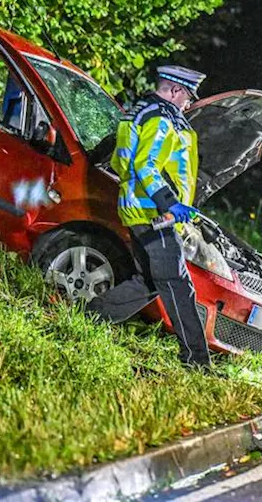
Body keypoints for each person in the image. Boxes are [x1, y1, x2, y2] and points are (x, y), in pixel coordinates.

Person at [88, 65, 211, 368]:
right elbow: (146, 164)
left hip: (137, 209)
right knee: (179, 284)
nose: (189, 104)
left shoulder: (138, 111)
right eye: (188, 98)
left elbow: (117, 156)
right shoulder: (162, 117)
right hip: (155, 213)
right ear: (174, 90)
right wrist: (170, 204)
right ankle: (197, 362)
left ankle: (88, 316)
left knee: (149, 281)